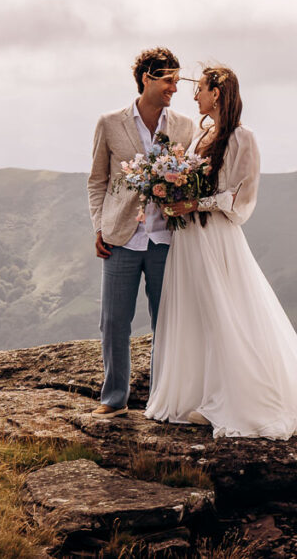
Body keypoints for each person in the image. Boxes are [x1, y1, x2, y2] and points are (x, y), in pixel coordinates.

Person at [144, 65, 297, 438]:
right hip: (189, 239)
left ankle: (235, 397)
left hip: (215, 237)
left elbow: (241, 198)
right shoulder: (201, 135)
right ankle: (200, 394)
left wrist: (195, 205)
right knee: (195, 313)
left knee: (223, 312)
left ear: (218, 93)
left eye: (201, 89)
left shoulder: (242, 138)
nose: (195, 96)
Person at [87, 47, 196, 418]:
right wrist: (99, 226)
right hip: (121, 237)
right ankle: (114, 398)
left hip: (167, 238)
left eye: (177, 82)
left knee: (166, 320)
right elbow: (97, 181)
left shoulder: (184, 126)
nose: (174, 89)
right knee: (114, 321)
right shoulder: (109, 123)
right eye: (168, 80)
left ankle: (161, 401)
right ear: (147, 78)